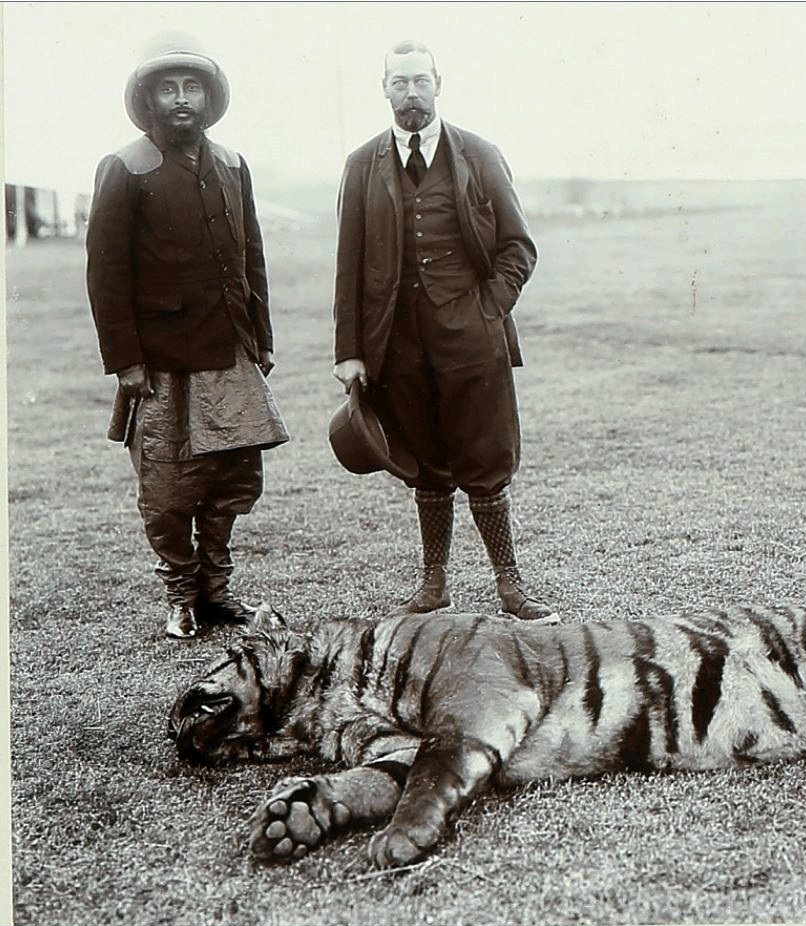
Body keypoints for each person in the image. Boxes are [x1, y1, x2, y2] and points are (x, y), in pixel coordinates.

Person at [332, 39, 553, 621]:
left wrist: (488, 309)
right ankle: (433, 585)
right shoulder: (361, 166)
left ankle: (511, 586)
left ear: (439, 83)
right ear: (384, 88)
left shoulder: (479, 155)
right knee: (426, 462)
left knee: (484, 459)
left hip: (473, 340)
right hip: (397, 344)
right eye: (399, 82)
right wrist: (350, 351)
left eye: (420, 81)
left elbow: (518, 247)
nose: (411, 93)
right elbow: (348, 266)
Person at [86, 32, 288, 640]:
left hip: (231, 354)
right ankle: (180, 596)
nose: (181, 100)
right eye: (168, 89)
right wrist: (125, 360)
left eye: (191, 87)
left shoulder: (232, 165)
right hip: (161, 363)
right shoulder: (124, 168)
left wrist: (262, 339)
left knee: (234, 478)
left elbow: (252, 257)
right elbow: (105, 273)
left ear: (209, 96)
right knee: (169, 488)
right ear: (149, 99)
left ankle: (217, 591)